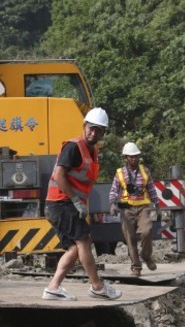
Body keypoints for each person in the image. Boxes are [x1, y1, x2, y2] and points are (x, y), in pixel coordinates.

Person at [42, 107, 122, 301]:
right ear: (84, 126)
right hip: (62, 204)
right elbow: (59, 176)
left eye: (98, 130)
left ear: (103, 132)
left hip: (63, 205)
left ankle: (53, 288)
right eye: (91, 128)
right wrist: (76, 201)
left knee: (75, 248)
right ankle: (97, 286)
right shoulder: (73, 147)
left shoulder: (92, 151)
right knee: (84, 241)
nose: (93, 133)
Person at [109, 142, 160, 277]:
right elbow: (114, 190)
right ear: (125, 158)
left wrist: (157, 204)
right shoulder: (120, 173)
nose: (133, 159)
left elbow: (151, 189)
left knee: (147, 231)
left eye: (135, 156)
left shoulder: (145, 171)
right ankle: (136, 267)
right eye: (130, 157)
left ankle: (146, 256)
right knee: (130, 238)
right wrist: (112, 204)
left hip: (143, 207)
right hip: (126, 209)